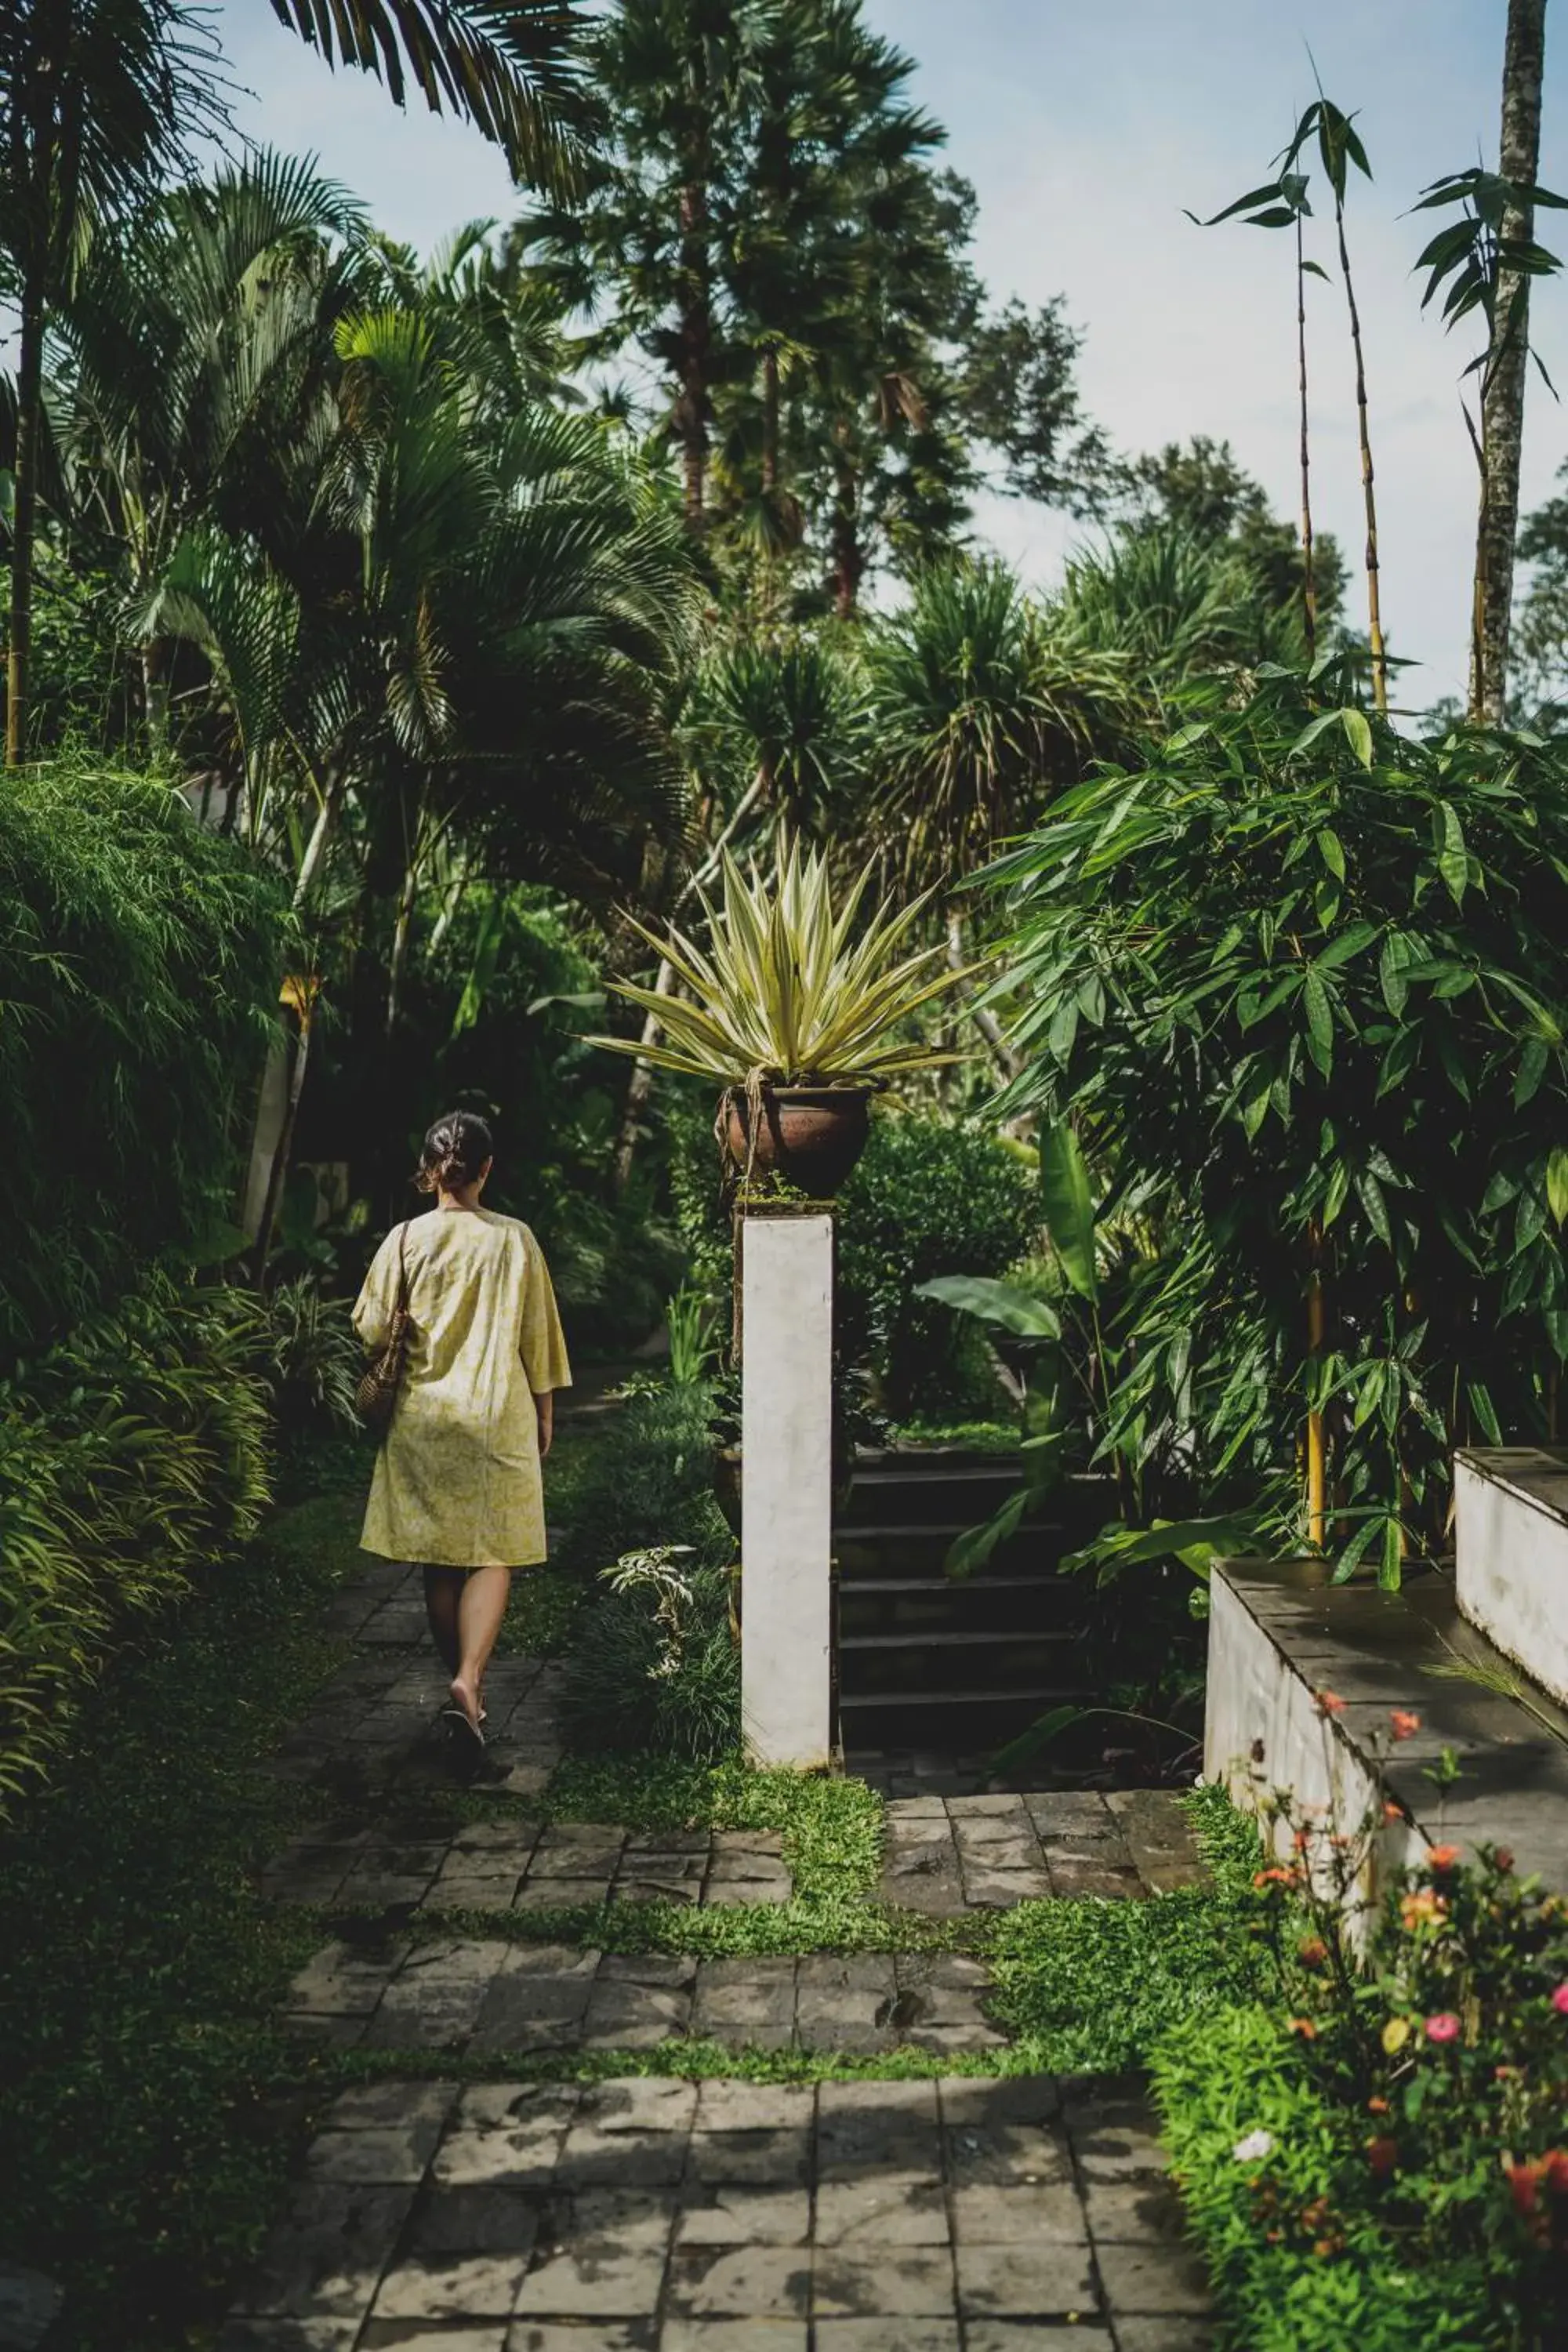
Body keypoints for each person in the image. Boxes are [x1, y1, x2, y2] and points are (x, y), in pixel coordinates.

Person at [352, 1110, 572, 1744]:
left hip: (426, 1420)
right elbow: (540, 1336)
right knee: (495, 1551)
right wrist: (547, 1411)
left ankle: (465, 1693)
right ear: (486, 1170)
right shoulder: (514, 1240)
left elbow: (368, 1328)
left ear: (430, 1171)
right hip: (498, 1415)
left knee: (442, 1561)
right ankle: (470, 1682)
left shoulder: (402, 1239)